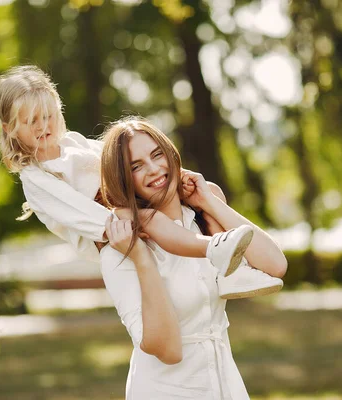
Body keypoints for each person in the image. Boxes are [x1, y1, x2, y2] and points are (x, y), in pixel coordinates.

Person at [0, 64, 283, 298]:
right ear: (10, 128)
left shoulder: (73, 144)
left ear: (58, 110)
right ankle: (214, 248)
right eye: (31, 122)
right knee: (150, 219)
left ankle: (230, 274)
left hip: (120, 198)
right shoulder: (36, 177)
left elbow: (117, 163)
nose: (44, 127)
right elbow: (78, 211)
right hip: (103, 227)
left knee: (210, 191)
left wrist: (174, 181)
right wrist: (118, 218)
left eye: (48, 116)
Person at [99, 117, 288, 399]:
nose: (153, 169)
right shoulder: (120, 250)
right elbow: (169, 350)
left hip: (225, 385)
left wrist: (208, 201)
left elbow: (276, 266)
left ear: (171, 153)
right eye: (136, 167)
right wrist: (141, 257)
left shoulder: (203, 221)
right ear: (124, 180)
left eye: (157, 154)